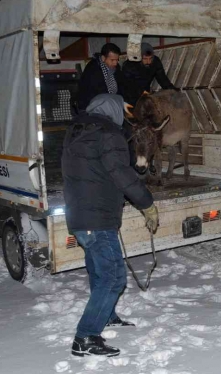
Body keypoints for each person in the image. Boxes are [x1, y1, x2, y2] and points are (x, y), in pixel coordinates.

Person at [62, 93, 159, 357]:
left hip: (82, 217)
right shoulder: (109, 135)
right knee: (113, 278)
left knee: (98, 272)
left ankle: (106, 314)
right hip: (97, 219)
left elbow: (94, 173)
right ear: (112, 110)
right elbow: (123, 175)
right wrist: (147, 204)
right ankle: (85, 337)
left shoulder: (77, 132)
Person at [76, 43, 125, 113]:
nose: (115, 63)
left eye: (117, 60)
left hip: (111, 104)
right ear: (103, 58)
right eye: (112, 60)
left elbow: (121, 86)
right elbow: (95, 94)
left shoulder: (116, 68)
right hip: (94, 107)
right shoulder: (93, 69)